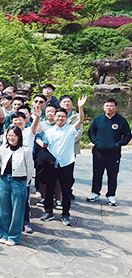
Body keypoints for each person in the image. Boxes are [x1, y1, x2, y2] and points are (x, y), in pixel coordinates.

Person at [40, 95, 87, 226]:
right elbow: (44, 146)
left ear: (66, 118)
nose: (60, 118)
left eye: (63, 116)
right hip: (52, 164)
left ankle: (65, 214)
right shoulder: (49, 132)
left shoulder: (70, 129)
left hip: (66, 163)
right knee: (49, 189)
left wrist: (80, 107)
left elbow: (81, 120)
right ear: (54, 117)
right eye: (58, 116)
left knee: (66, 190)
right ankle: (48, 212)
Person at [87, 98, 131, 206]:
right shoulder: (98, 119)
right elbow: (91, 132)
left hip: (113, 153)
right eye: (107, 105)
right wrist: (96, 142)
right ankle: (95, 193)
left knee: (112, 174)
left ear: (116, 107)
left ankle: (111, 195)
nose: (109, 108)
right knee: (97, 173)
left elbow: (127, 135)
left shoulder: (121, 120)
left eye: (111, 106)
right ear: (103, 107)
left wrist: (117, 144)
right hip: (99, 152)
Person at [0, 126, 34, 246]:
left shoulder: (25, 150)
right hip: (4, 181)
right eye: (9, 135)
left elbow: (30, 169)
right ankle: (4, 234)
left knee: (17, 211)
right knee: (4, 210)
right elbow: (1, 163)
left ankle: (14, 236)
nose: (11, 138)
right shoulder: (3, 149)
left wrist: (24, 183)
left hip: (19, 182)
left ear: (19, 136)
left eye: (14, 135)